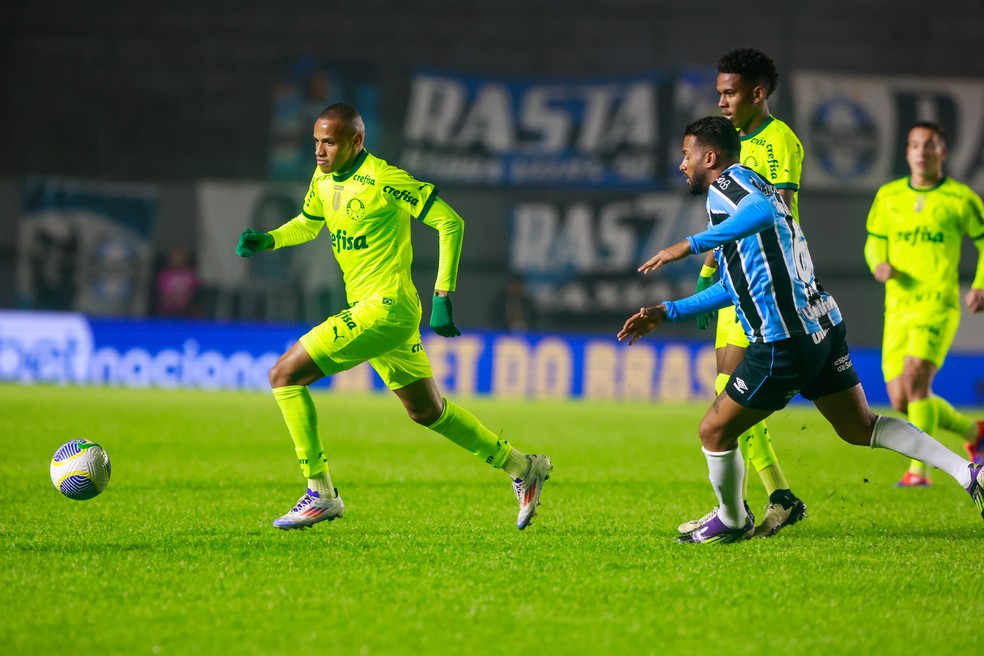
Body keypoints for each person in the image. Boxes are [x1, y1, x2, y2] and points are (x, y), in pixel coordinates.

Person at [618, 116, 984, 545]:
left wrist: (692, 244)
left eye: (686, 155)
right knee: (860, 427)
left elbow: (761, 212)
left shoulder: (728, 186)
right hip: (823, 326)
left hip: (783, 341)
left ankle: (732, 519)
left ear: (709, 157)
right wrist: (669, 310)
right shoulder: (752, 183)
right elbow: (739, 284)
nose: (683, 165)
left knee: (714, 432)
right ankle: (968, 471)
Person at [235, 103, 552, 530]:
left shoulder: (384, 180)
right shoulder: (323, 178)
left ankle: (321, 492)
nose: (320, 151)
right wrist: (269, 240)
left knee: (284, 375)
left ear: (356, 141)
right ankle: (522, 467)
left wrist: (443, 295)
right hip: (374, 309)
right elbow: (310, 224)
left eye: (329, 142)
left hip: (385, 308)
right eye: (316, 141)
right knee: (427, 411)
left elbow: (450, 222)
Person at [682, 49, 806, 538]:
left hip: (764, 284)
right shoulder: (730, 143)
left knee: (732, 392)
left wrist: (707, 261)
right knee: (723, 388)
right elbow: (725, 219)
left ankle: (757, 504)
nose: (722, 101)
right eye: (719, 92)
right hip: (735, 277)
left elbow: (777, 215)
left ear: (758, 93)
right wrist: (709, 271)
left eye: (730, 92)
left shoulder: (777, 143)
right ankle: (772, 496)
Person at [864, 120, 984, 485]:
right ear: (907, 153)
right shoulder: (888, 195)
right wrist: (878, 263)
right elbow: (874, 240)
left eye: (930, 144)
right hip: (898, 307)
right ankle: (973, 432)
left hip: (937, 303)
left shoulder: (961, 198)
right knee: (902, 399)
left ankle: (919, 470)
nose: (922, 151)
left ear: (942, 152)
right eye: (915, 145)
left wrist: (980, 284)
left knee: (916, 377)